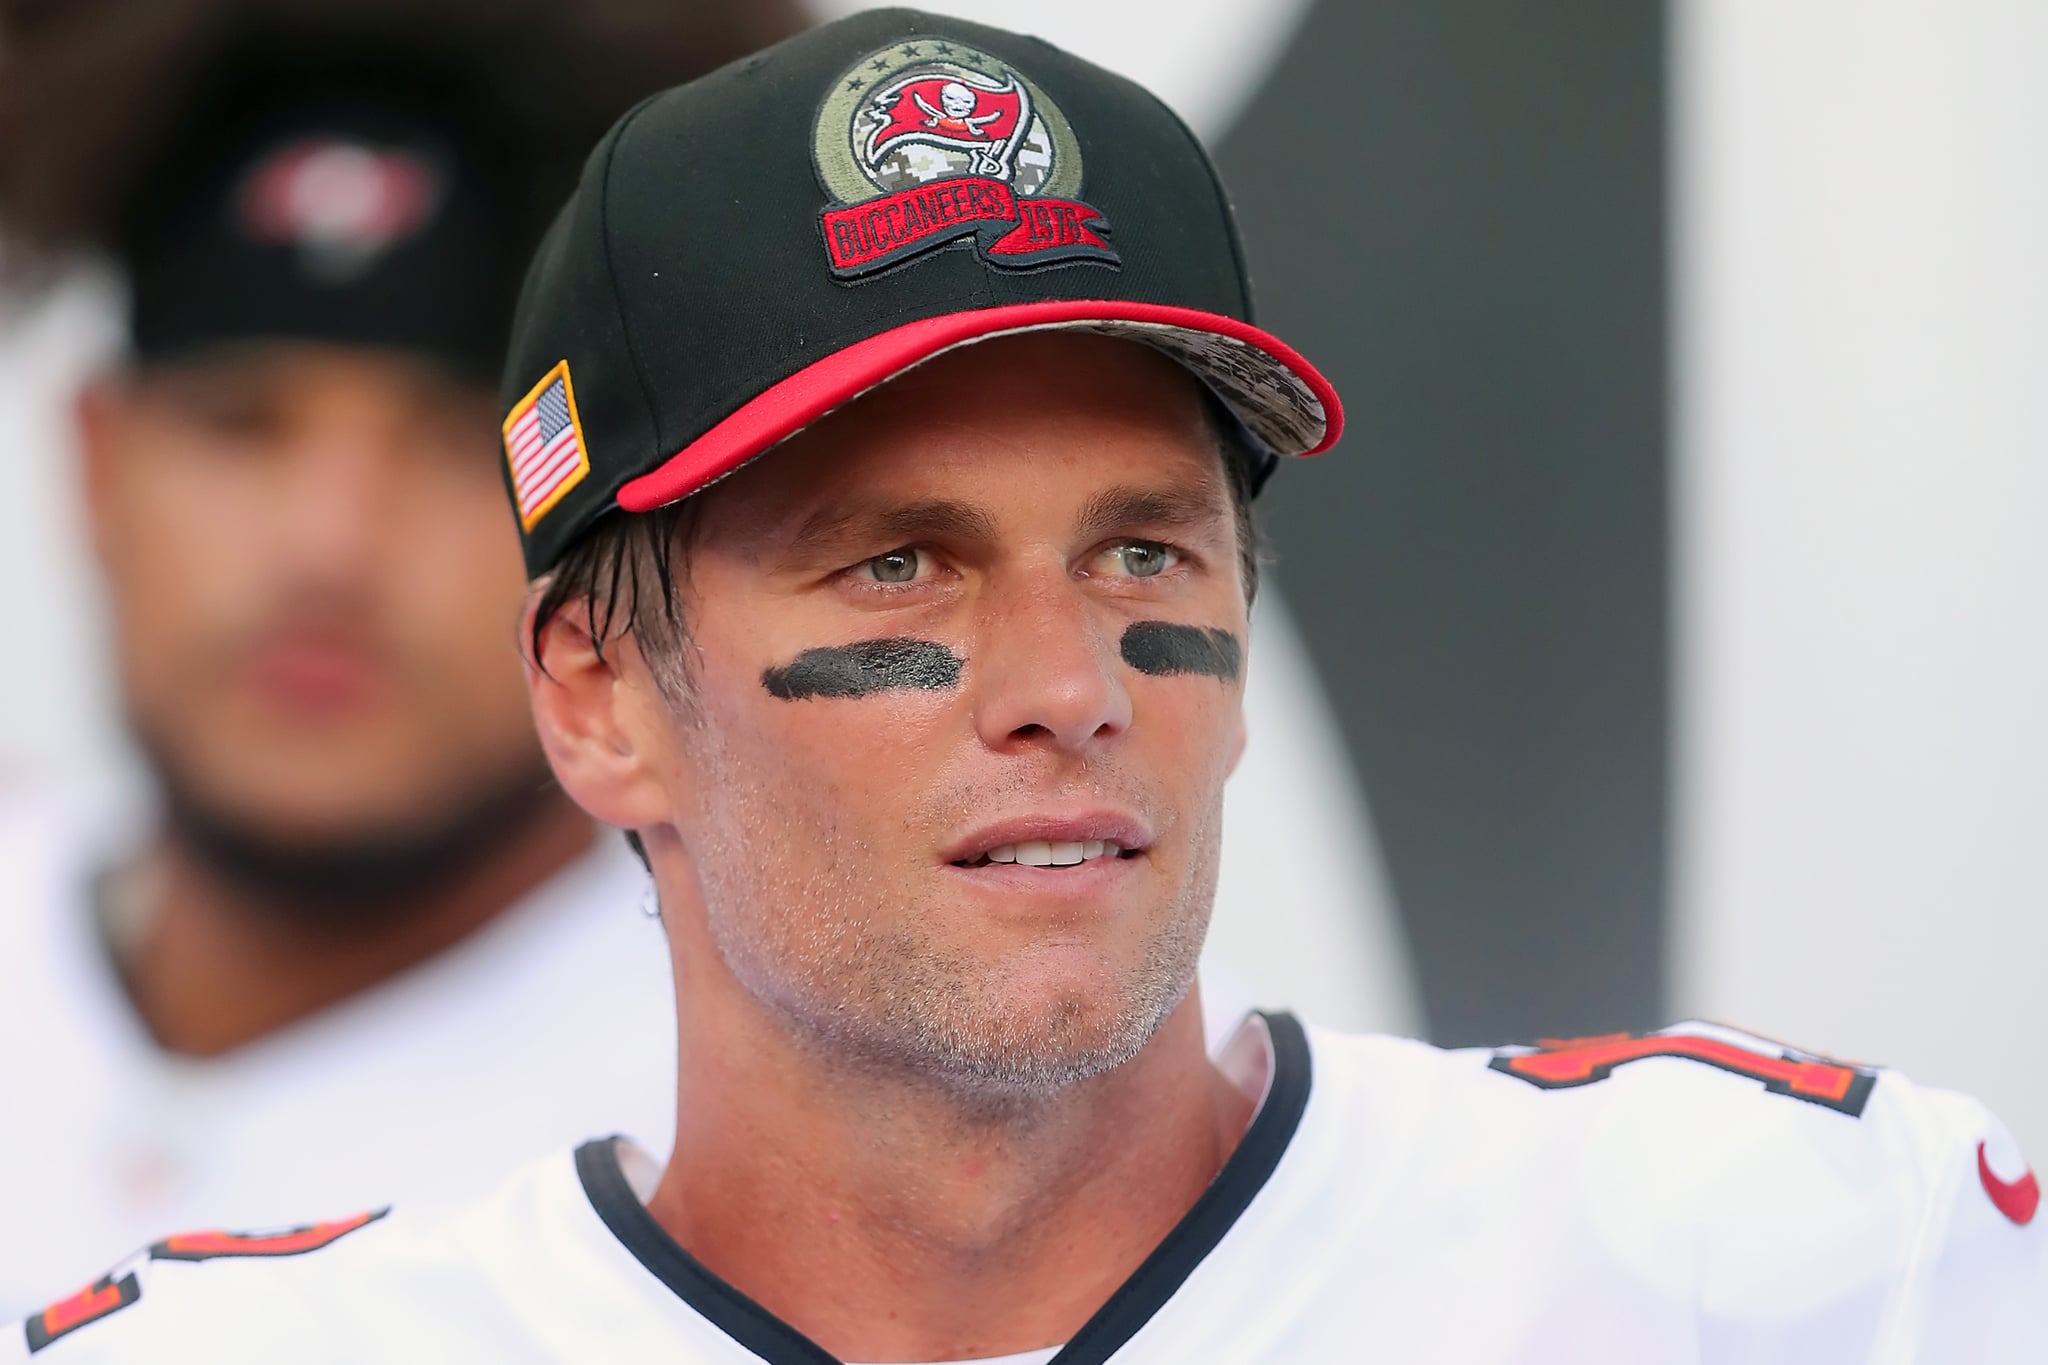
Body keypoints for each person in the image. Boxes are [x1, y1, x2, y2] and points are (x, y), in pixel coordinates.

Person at [18, 8, 2038, 1361]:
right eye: (899, 557)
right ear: (596, 694)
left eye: (1142, 548)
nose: (1066, 680)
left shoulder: (1774, 1259)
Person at [0, 0, 802, 1316]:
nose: (331, 544)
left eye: (449, 440)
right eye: (241, 424)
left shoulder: (791, 1133)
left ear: (626, 525)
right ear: (94, 465)